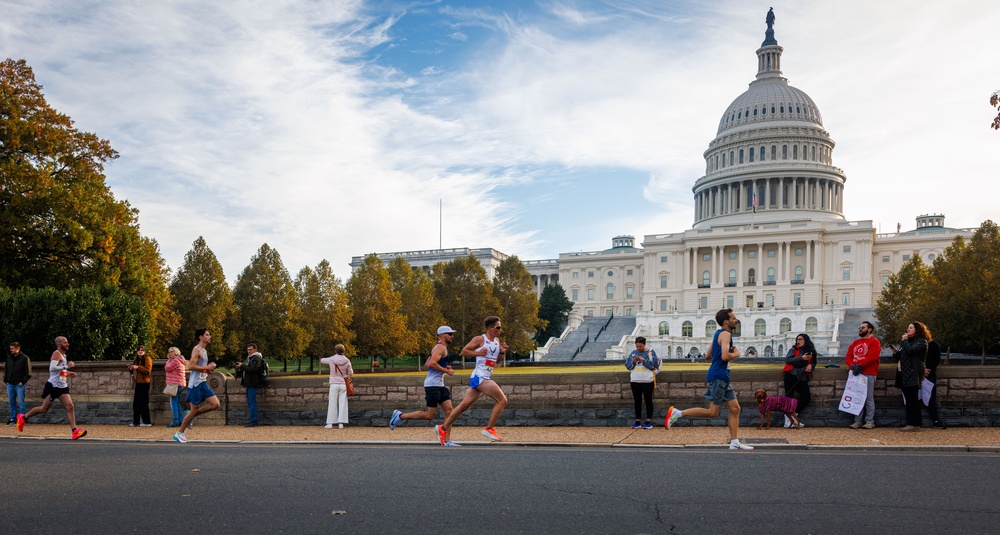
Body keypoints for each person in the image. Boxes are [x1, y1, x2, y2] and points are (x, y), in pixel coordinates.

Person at [665, 308, 754, 451]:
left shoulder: (718, 334)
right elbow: (725, 356)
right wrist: (736, 353)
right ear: (726, 322)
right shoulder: (725, 334)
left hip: (721, 375)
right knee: (713, 412)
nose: (736, 320)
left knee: (735, 409)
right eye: (733, 318)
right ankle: (678, 413)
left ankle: (735, 442)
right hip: (719, 376)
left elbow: (707, 355)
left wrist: (723, 354)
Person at [436, 316, 509, 446]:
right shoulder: (480, 339)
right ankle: (489, 428)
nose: (500, 329)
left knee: (464, 406)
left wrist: (502, 352)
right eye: (498, 327)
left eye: (500, 327)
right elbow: (464, 352)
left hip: (485, 375)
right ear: (490, 328)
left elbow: (495, 362)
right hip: (480, 376)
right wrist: (478, 353)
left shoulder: (497, 341)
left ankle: (443, 428)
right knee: (502, 400)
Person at [389, 326, 457, 441]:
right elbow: (432, 364)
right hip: (432, 386)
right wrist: (447, 370)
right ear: (443, 335)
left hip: (439, 385)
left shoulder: (439, 347)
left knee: (449, 411)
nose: (452, 336)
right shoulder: (440, 347)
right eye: (450, 334)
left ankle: (447, 440)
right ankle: (400, 416)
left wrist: (444, 366)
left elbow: (427, 364)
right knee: (430, 415)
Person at [16, 336, 87, 440]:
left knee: (70, 406)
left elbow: (58, 371)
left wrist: (67, 373)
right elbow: (52, 368)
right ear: (59, 345)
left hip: (62, 385)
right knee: (43, 409)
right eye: (65, 342)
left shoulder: (63, 355)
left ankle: (74, 431)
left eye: (67, 342)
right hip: (53, 386)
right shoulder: (56, 354)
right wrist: (67, 367)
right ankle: (23, 417)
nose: (68, 344)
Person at [173, 328, 219, 444]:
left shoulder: (204, 351)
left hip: (202, 383)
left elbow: (200, 368)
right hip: (195, 385)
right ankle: (179, 433)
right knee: (194, 410)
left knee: (215, 404)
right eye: (207, 335)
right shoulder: (196, 350)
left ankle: (190, 415)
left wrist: (207, 370)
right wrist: (206, 368)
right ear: (201, 337)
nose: (210, 337)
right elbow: (191, 367)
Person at [892, 322, 928, 432]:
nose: (908, 330)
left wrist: (904, 341)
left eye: (911, 328)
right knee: (909, 399)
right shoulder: (909, 342)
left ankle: (915, 423)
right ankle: (911, 422)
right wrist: (896, 354)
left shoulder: (922, 341)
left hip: (913, 374)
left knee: (913, 400)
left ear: (917, 330)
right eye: (908, 327)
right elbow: (905, 356)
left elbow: (911, 351)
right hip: (904, 374)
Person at [846, 321, 882, 429]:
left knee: (868, 398)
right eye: (860, 327)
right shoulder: (855, 342)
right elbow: (848, 356)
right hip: (855, 373)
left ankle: (869, 421)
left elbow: (873, 357)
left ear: (869, 329)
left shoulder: (874, 342)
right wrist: (852, 366)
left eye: (862, 327)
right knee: (857, 398)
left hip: (868, 372)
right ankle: (857, 420)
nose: (860, 329)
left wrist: (860, 366)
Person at [625, 336, 660, 429]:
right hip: (635, 380)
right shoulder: (633, 353)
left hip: (647, 380)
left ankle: (649, 421)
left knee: (648, 400)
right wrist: (633, 361)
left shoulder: (650, 352)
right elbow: (628, 366)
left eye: (640, 346)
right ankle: (637, 421)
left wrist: (644, 360)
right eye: (637, 346)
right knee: (637, 401)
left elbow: (654, 365)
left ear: (644, 344)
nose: (639, 348)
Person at [782, 333, 816, 428]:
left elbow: (814, 361)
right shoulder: (793, 349)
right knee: (788, 398)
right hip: (791, 375)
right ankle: (787, 421)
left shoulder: (811, 351)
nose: (798, 341)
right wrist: (802, 358)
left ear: (806, 340)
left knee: (806, 398)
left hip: (802, 376)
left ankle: (793, 417)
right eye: (797, 339)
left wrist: (811, 366)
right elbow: (788, 360)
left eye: (800, 339)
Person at [320, 344, 352, 429]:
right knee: (343, 403)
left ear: (335, 350)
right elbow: (351, 372)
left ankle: (330, 423)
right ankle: (340, 423)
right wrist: (345, 375)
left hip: (334, 383)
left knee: (332, 402)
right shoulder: (347, 360)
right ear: (343, 351)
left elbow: (322, 360)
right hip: (343, 384)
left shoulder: (331, 359)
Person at [235, 343, 265, 427]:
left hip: (252, 383)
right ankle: (252, 420)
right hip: (249, 383)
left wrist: (242, 365)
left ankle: (254, 421)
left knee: (252, 403)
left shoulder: (256, 358)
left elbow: (253, 369)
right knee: (250, 402)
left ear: (255, 350)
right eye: (247, 349)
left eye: (250, 349)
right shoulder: (250, 358)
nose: (248, 351)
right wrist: (240, 368)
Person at [5, 342, 31, 425]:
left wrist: (22, 381)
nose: (11, 350)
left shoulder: (24, 358)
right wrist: (6, 380)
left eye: (12, 348)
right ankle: (13, 418)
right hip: (10, 383)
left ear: (18, 349)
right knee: (11, 402)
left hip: (19, 384)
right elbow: (6, 369)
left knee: (20, 402)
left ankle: (22, 418)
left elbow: (28, 372)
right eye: (10, 348)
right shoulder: (9, 358)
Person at [128, 346, 153, 427]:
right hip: (138, 383)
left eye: (142, 350)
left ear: (145, 352)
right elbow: (133, 373)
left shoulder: (147, 359)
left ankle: (147, 422)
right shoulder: (136, 360)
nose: (140, 351)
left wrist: (138, 367)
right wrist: (131, 369)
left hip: (145, 383)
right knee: (136, 403)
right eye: (138, 350)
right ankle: (136, 421)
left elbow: (147, 371)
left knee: (143, 402)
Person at [924, 339, 946, 429]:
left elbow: (936, 360)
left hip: (929, 374)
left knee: (931, 397)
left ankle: (935, 420)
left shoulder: (933, 345)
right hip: (918, 374)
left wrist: (929, 370)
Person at [163, 346, 187, 428]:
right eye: (169, 352)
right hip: (179, 384)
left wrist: (168, 361)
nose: (170, 353)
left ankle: (175, 421)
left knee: (173, 403)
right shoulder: (179, 360)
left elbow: (167, 368)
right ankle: (181, 420)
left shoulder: (175, 360)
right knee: (177, 403)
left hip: (175, 384)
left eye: (172, 352)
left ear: (176, 352)